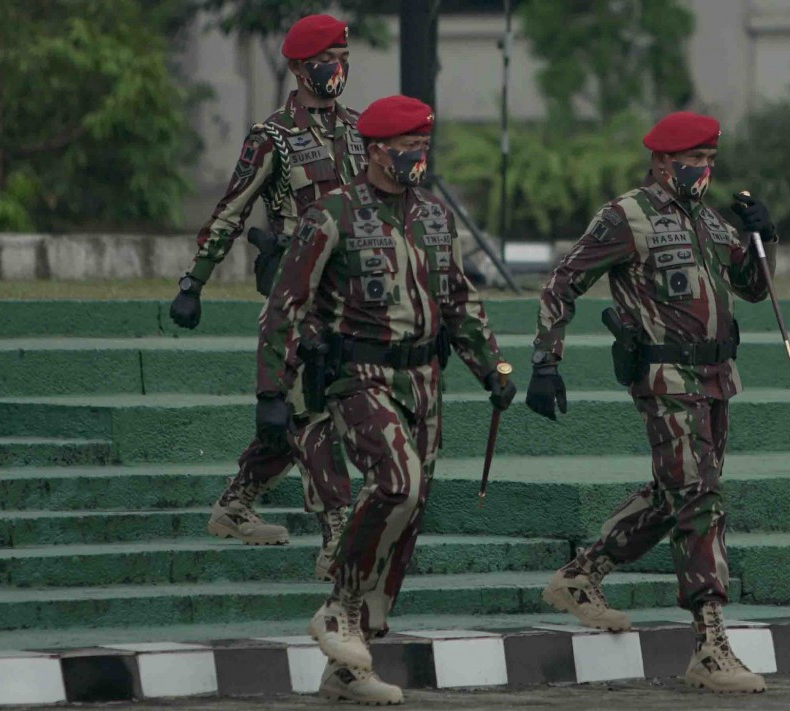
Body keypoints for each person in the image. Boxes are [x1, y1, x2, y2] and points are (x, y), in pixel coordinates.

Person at [257, 94, 516, 705]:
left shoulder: (433, 218)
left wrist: (493, 367)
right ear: (374, 152)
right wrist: (271, 390)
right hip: (359, 375)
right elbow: (285, 308)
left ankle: (351, 664)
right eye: (406, 151)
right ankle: (338, 610)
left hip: (424, 378)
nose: (417, 160)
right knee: (396, 482)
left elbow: (458, 300)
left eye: (423, 149)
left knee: (409, 514)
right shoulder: (333, 216)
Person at [526, 111, 777, 694]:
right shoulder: (626, 216)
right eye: (694, 160)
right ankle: (709, 643)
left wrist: (764, 237)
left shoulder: (711, 221)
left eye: (711, 161)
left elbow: (752, 289)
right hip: (666, 376)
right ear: (663, 161)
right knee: (700, 494)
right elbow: (562, 281)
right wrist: (546, 358)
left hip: (718, 376)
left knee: (676, 490)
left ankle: (581, 576)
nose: (705, 170)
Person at [169, 14, 366, 579]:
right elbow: (230, 210)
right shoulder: (273, 136)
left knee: (296, 417)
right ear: (301, 68)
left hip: (351, 300)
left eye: (344, 60)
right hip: (295, 298)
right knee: (310, 413)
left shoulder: (357, 131)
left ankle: (234, 505)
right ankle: (336, 536)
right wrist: (193, 283)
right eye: (329, 61)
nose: (339, 71)